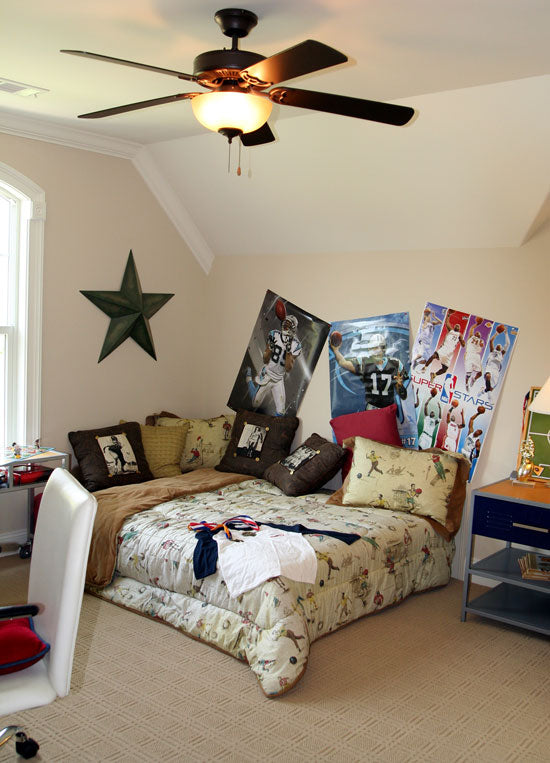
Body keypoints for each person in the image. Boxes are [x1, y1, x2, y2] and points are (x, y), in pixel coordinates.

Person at [330, 332, 407, 411]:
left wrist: (400, 386)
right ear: (369, 349)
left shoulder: (395, 364)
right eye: (375, 347)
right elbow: (343, 363)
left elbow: (403, 396)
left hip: (388, 410)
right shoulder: (364, 363)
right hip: (371, 409)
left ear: (385, 349)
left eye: (381, 347)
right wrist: (335, 350)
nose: (378, 350)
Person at [247, 315, 302, 415]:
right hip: (268, 374)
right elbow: (265, 359)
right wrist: (270, 347)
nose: (285, 327)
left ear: (293, 328)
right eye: (285, 324)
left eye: (288, 325)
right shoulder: (274, 334)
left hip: (278, 379)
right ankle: (249, 379)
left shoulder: (296, 345)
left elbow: (288, 368)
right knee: (255, 404)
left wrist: (288, 350)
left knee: (281, 412)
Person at [418, 310, 465, 382]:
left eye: (458, 326)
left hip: (450, 353)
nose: (457, 326)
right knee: (434, 356)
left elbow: (463, 345)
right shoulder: (451, 331)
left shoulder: (460, 335)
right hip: (445, 348)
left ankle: (434, 375)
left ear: (459, 329)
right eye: (456, 325)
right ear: (454, 327)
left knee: (444, 369)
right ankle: (424, 368)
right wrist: (448, 315)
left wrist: (462, 342)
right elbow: (447, 323)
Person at [483, 326, 510, 400]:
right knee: (488, 376)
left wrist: (506, 333)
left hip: (496, 370)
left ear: (501, 349)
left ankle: (484, 390)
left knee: (491, 387)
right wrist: (497, 333)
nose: (499, 345)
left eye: (500, 345)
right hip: (489, 367)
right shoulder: (492, 351)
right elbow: (491, 341)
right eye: (497, 345)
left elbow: (507, 344)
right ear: (495, 347)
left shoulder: (502, 353)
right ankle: (488, 393)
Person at [464, 317, 485, 391]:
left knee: (480, 373)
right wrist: (477, 324)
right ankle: (466, 384)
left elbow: (480, 350)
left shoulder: (481, 341)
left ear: (480, 336)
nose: (477, 333)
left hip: (476, 356)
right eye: (477, 333)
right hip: (469, 355)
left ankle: (474, 379)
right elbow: (472, 328)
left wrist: (481, 345)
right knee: (468, 373)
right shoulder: (471, 337)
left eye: (479, 334)